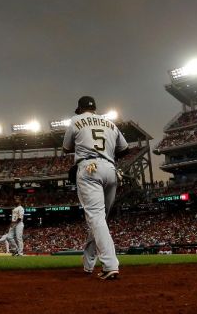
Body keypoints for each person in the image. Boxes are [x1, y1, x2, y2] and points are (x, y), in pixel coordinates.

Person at [63, 96, 129, 280]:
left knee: (97, 219)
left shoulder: (76, 120)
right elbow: (125, 149)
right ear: (94, 108)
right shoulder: (109, 122)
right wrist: (106, 153)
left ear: (79, 108)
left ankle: (110, 265)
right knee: (99, 221)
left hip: (89, 169)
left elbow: (66, 148)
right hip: (110, 170)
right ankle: (88, 264)